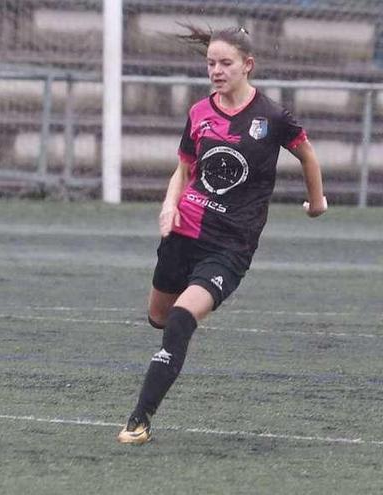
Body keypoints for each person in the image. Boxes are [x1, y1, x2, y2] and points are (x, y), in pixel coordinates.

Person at [116, 26, 327, 445]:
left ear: (248, 65)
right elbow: (184, 167)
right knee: (159, 317)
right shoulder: (198, 113)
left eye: (225, 63)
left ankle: (138, 421)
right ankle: (186, 318)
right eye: (210, 63)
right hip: (184, 230)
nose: (216, 70)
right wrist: (169, 204)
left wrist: (316, 202)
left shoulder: (273, 117)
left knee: (179, 319)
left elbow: (307, 153)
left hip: (231, 245)